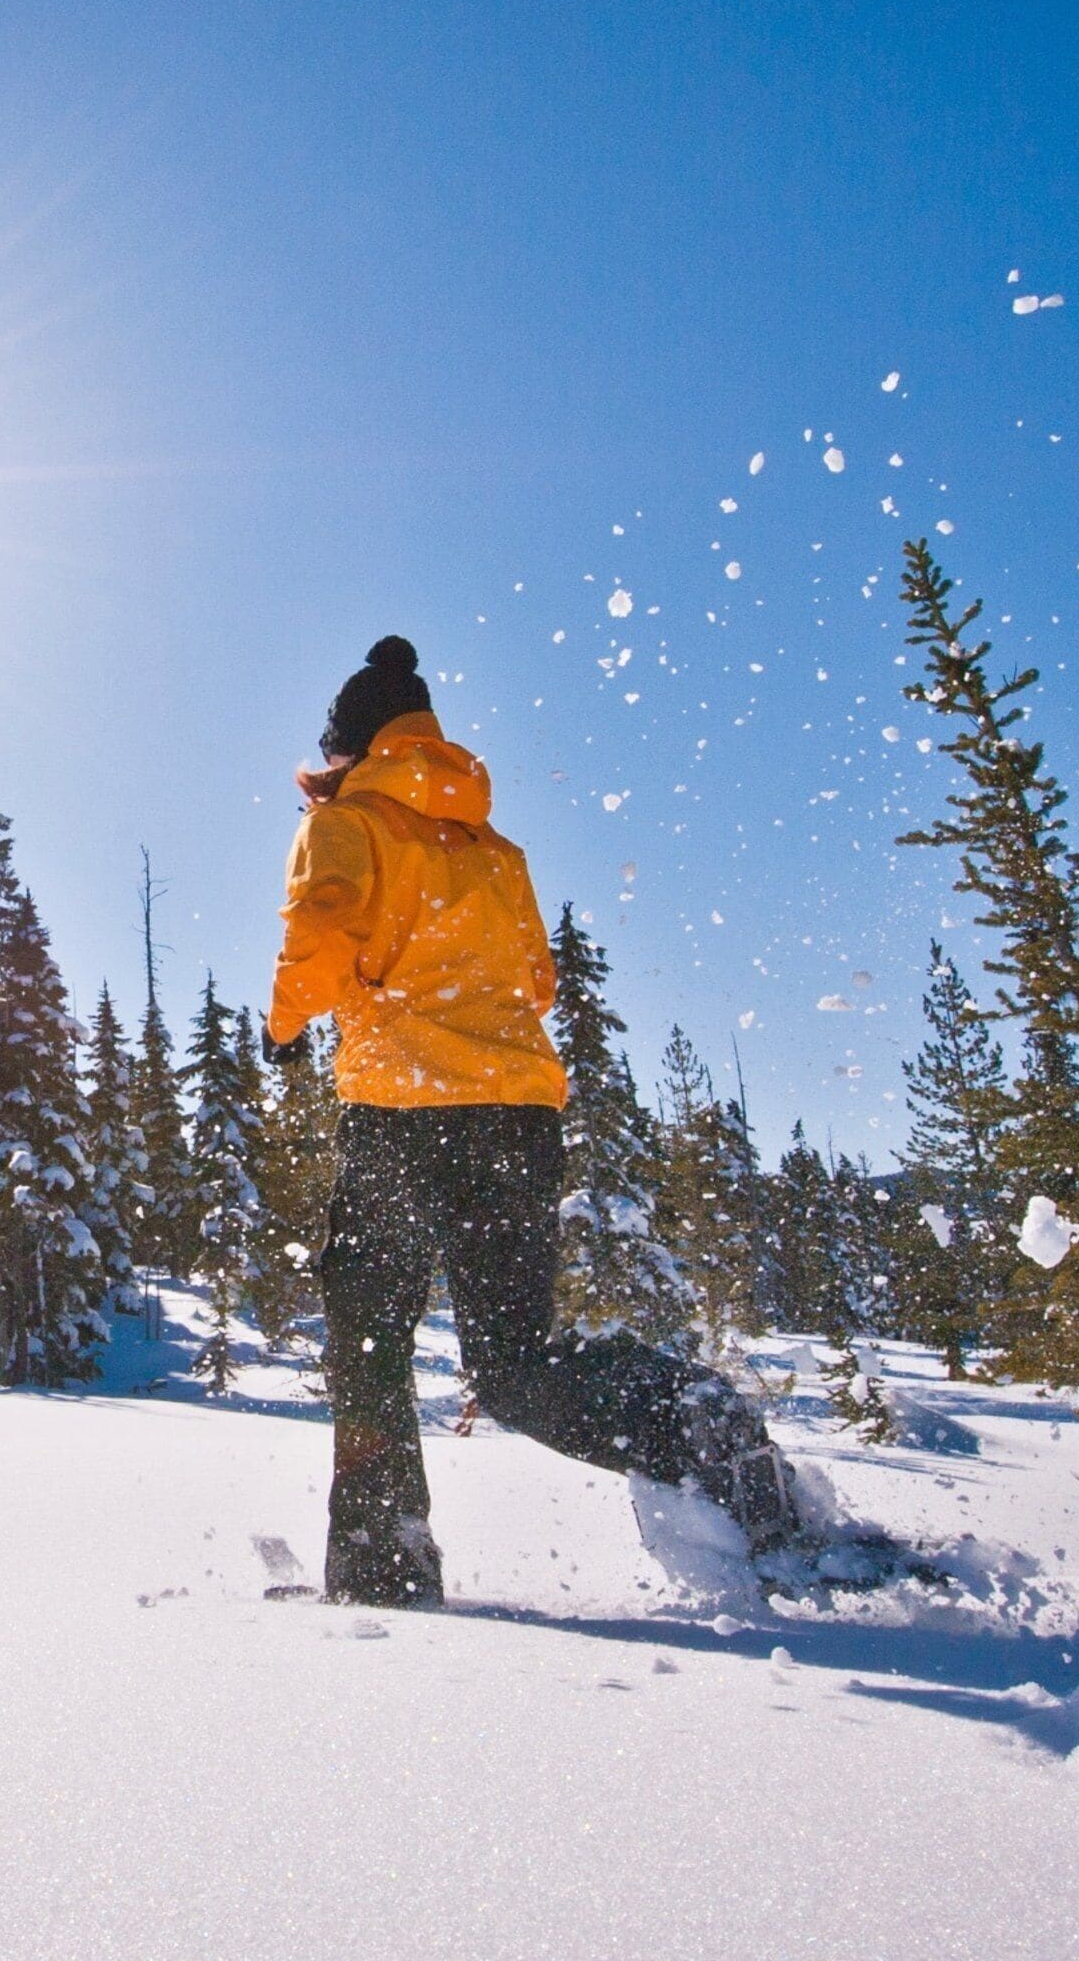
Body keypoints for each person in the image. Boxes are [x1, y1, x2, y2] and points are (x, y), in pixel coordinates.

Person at [268, 635, 796, 1607]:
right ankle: (691, 1423)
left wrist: (287, 1024)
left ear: (351, 746)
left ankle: (384, 1569)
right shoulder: (494, 850)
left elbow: (323, 926)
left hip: (400, 1115)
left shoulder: (345, 823)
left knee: (371, 1339)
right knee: (514, 1364)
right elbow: (539, 984)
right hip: (516, 1117)